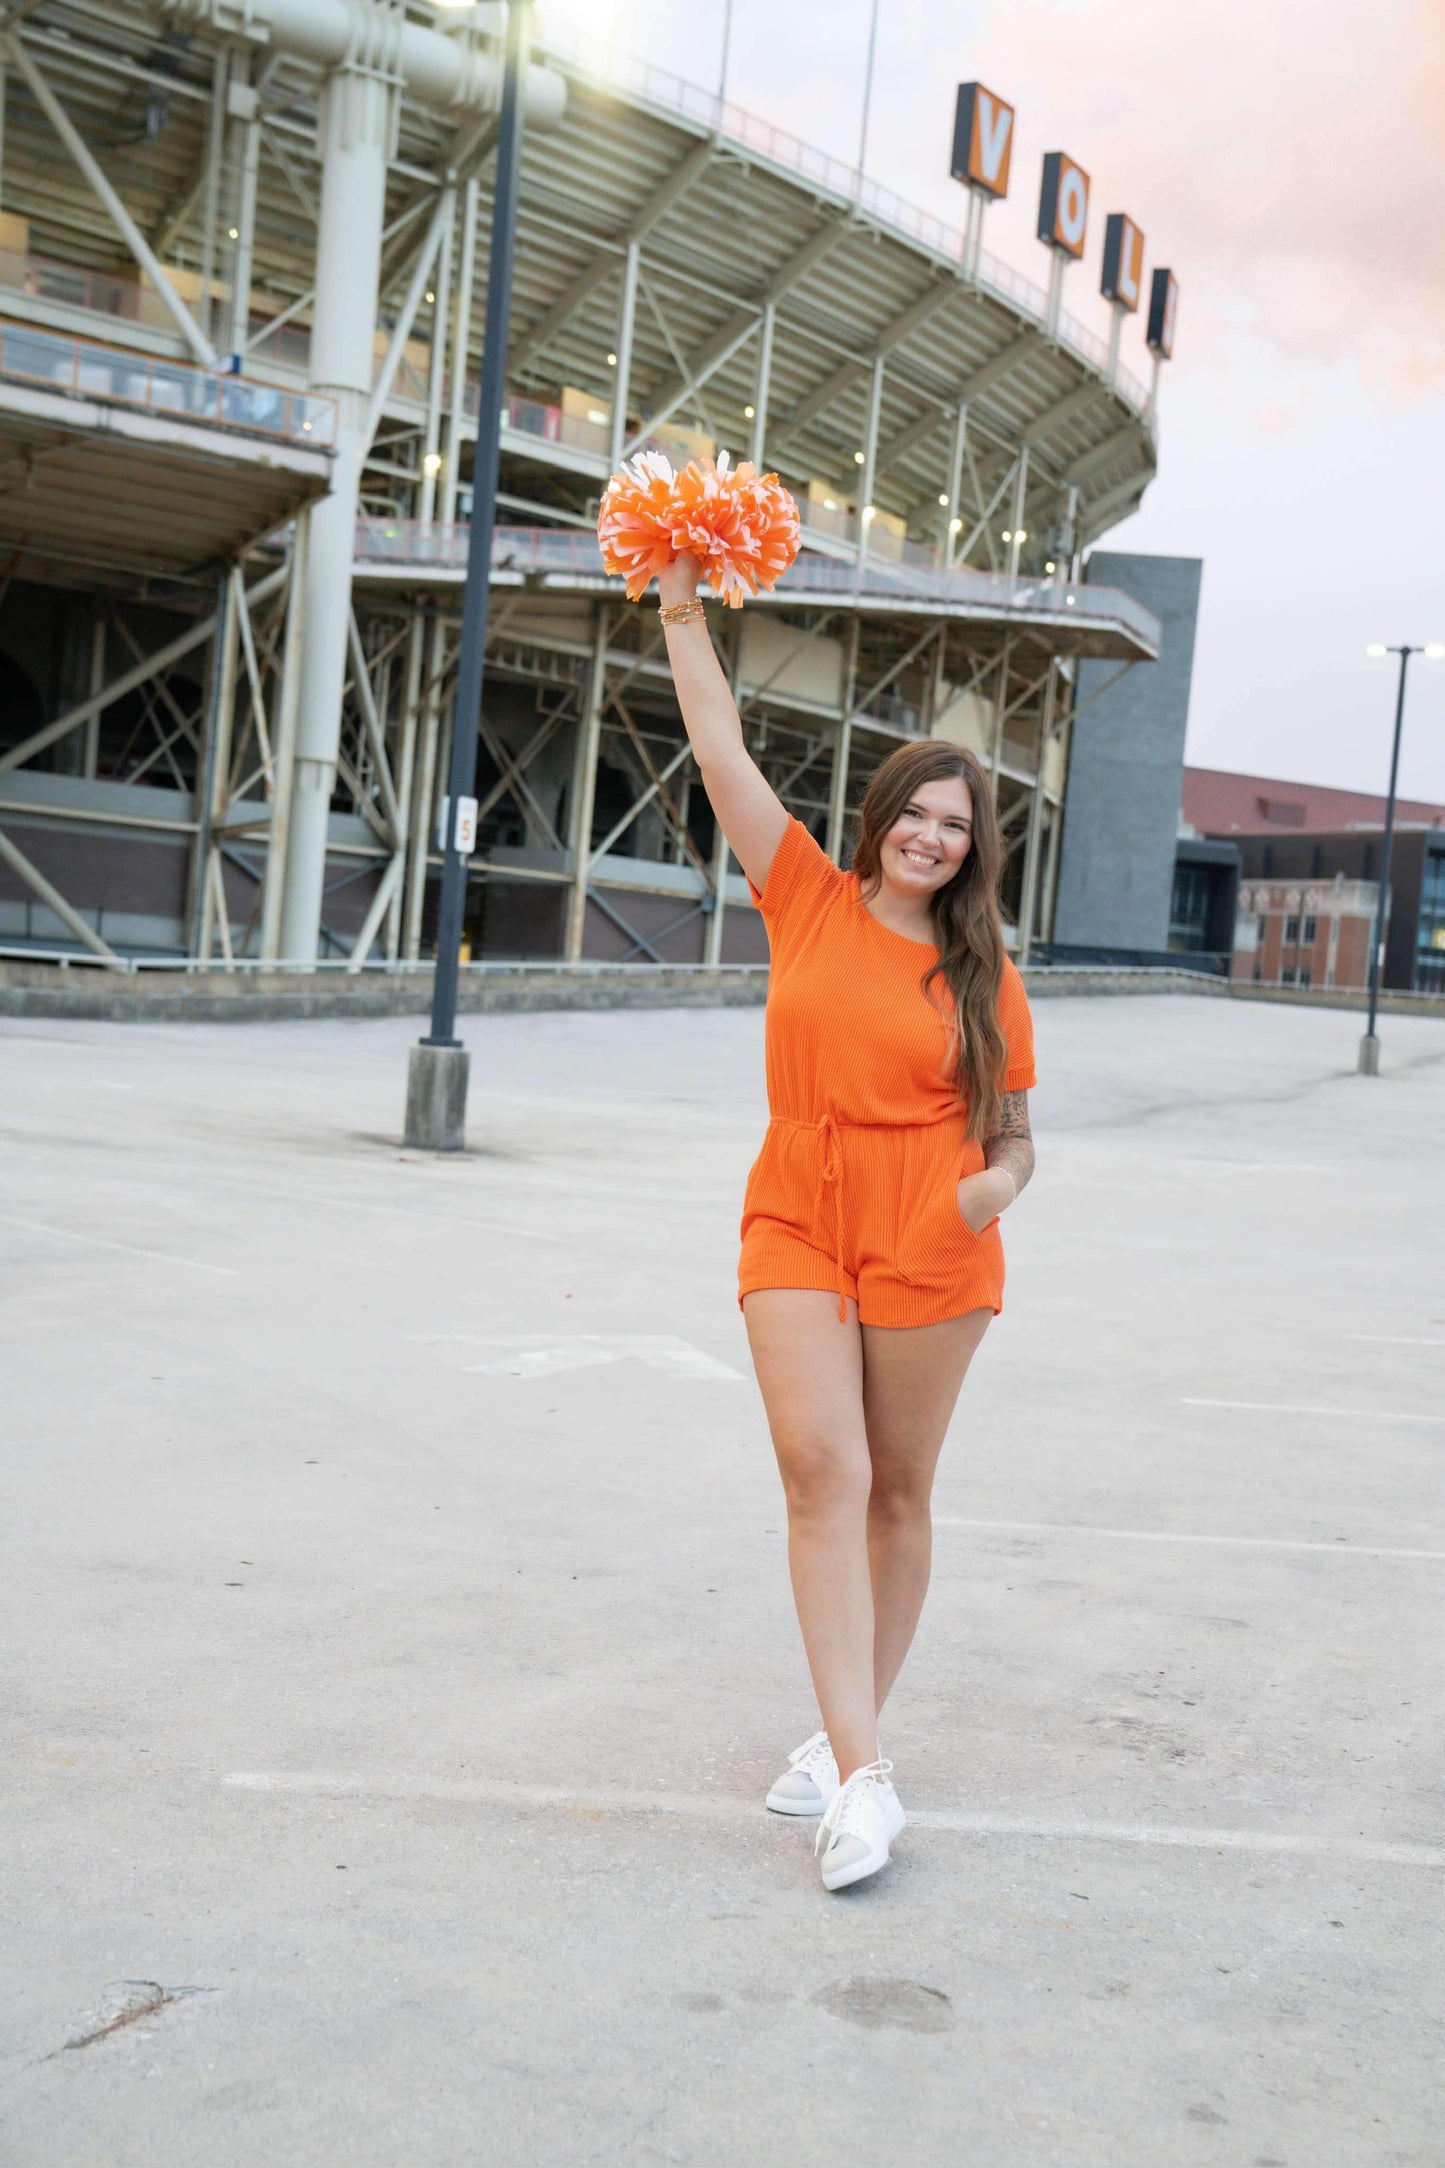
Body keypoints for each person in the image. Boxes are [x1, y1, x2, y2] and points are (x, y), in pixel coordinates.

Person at [657, 553, 1037, 1892]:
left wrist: (980, 1195)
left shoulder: (982, 971)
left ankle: (840, 1739)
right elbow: (718, 747)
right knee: (819, 1471)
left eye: (957, 827)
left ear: (974, 850)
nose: (932, 838)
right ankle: (862, 1780)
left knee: (898, 1488)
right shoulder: (805, 897)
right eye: (916, 816)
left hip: (930, 1223)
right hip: (797, 1206)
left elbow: (1015, 1140)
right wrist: (682, 609)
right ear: (879, 819)